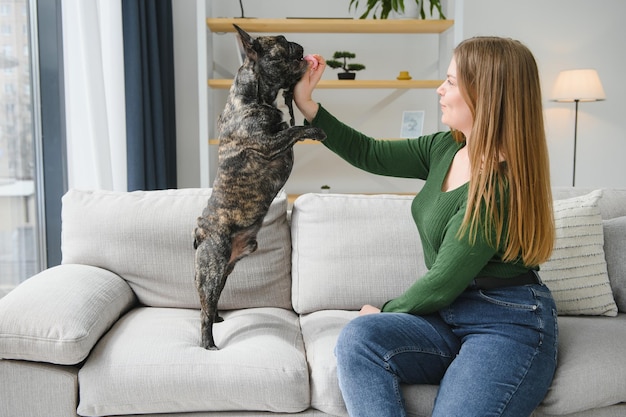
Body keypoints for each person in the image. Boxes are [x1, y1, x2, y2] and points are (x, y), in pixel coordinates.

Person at [294, 36, 558, 417]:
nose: (440, 89)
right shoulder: (445, 149)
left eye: (450, 82)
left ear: (485, 94)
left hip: (507, 324)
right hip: (447, 316)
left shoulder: (499, 186)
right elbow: (369, 153)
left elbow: (440, 283)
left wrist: (385, 310)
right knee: (358, 339)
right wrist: (308, 106)